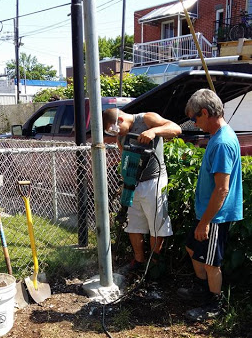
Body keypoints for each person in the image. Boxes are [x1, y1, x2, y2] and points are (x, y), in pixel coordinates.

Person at [177, 88, 243, 322]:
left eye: (195, 119)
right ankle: (202, 291)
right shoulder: (217, 137)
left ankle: (214, 305)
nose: (195, 124)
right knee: (193, 249)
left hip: (215, 216)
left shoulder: (223, 142)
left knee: (211, 262)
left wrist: (205, 222)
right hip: (206, 212)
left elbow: (222, 189)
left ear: (205, 112)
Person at [103, 108, 181, 279]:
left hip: (154, 180)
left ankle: (153, 265)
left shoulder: (147, 118)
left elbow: (176, 128)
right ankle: (139, 261)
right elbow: (124, 157)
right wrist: (125, 182)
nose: (116, 134)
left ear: (121, 119)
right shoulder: (121, 136)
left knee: (156, 224)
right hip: (132, 183)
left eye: (115, 130)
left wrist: (153, 131)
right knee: (134, 224)